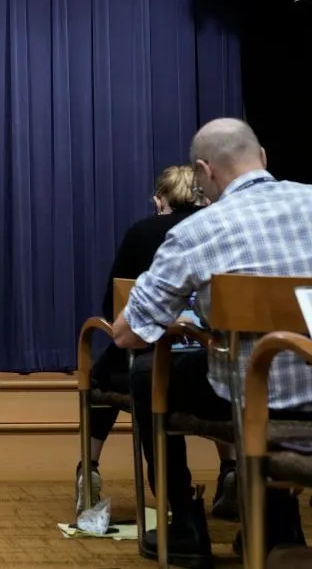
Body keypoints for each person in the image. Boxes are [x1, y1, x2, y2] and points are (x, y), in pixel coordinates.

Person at [113, 118, 312, 567]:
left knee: (148, 374)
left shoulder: (196, 231)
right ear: (262, 158)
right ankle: (278, 526)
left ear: (204, 172)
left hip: (253, 400)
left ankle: (183, 525)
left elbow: (128, 333)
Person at [78, 166, 237, 519]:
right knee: (217, 371)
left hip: (151, 357)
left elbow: (115, 307)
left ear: (158, 199)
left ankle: (89, 467)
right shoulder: (225, 229)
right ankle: (230, 471)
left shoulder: (143, 232)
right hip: (225, 361)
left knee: (111, 373)